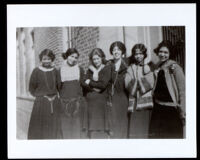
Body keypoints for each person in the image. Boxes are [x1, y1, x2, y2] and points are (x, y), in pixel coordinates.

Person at [149, 40, 185, 138]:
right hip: (158, 109)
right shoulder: (158, 67)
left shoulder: (175, 67)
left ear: (170, 54)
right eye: (161, 52)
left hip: (171, 111)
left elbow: (182, 90)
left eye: (166, 52)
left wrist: (183, 110)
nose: (162, 54)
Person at [28, 49, 62, 139]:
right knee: (41, 129)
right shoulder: (36, 71)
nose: (46, 61)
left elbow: (59, 86)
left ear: (52, 59)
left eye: (49, 59)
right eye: (44, 59)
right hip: (41, 104)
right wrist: (41, 97)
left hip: (55, 103)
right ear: (41, 60)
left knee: (54, 128)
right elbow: (31, 88)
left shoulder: (55, 71)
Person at [125, 44, 154, 138]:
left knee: (146, 129)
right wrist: (143, 81)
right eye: (136, 54)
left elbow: (151, 83)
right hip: (134, 103)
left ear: (144, 54)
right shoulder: (130, 68)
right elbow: (127, 84)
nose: (138, 56)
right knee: (136, 129)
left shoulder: (149, 67)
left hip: (146, 103)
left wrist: (137, 82)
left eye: (141, 53)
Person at [58, 48, 88, 139]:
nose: (73, 59)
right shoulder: (60, 70)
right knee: (65, 128)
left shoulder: (80, 69)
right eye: (71, 56)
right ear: (67, 56)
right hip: (64, 103)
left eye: (76, 57)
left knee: (76, 128)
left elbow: (83, 84)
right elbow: (58, 86)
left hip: (77, 103)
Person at [82, 48, 111, 139]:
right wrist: (95, 86)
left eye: (98, 58)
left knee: (100, 127)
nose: (96, 61)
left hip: (101, 102)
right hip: (90, 103)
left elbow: (103, 85)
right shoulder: (90, 70)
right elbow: (83, 82)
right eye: (94, 59)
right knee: (92, 128)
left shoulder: (106, 68)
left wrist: (90, 82)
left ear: (102, 58)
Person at [107, 41, 129, 138]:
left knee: (123, 121)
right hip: (112, 97)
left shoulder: (127, 63)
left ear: (122, 51)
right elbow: (94, 63)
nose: (116, 52)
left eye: (118, 49)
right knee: (113, 122)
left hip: (123, 96)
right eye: (114, 50)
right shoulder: (108, 64)